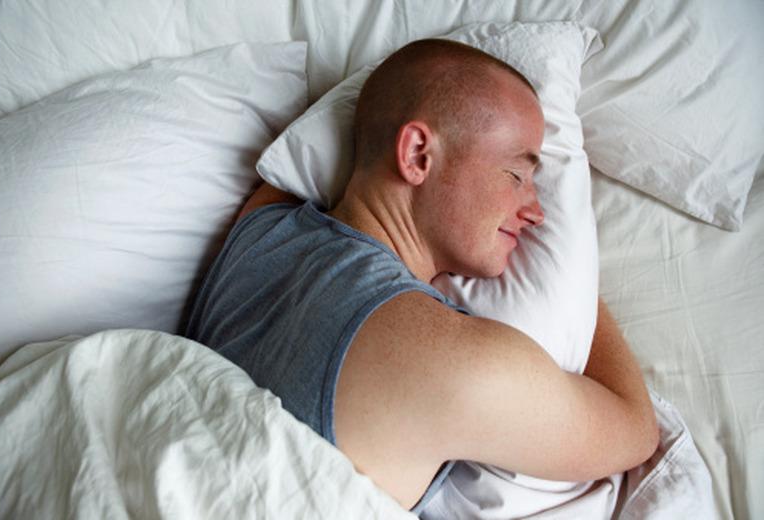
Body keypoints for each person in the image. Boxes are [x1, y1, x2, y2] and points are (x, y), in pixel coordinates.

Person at [183, 39, 659, 514]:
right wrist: (572, 273)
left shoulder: (264, 222)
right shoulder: (455, 365)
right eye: (516, 175)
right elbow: (635, 429)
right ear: (415, 154)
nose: (536, 212)